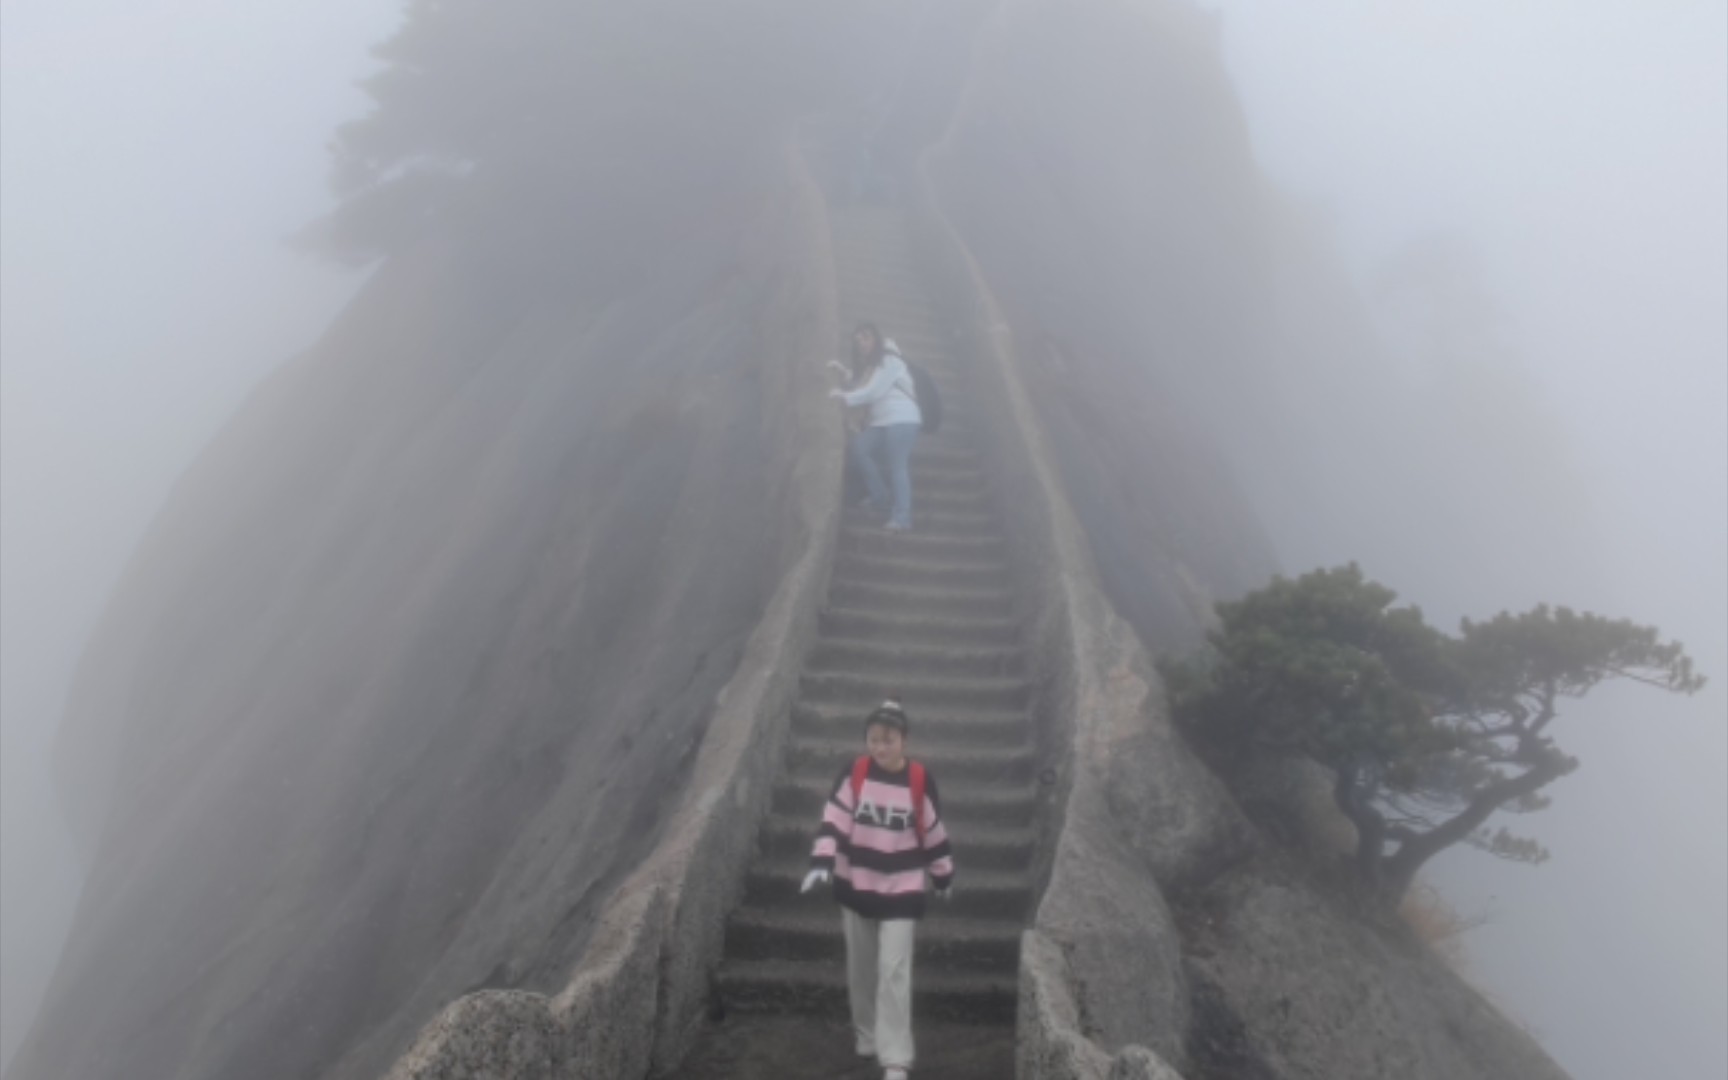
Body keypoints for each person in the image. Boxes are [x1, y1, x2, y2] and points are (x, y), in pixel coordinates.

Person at [801, 700, 954, 1080]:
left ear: (904, 740)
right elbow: (834, 819)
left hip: (903, 887)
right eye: (873, 739)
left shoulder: (919, 780)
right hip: (856, 882)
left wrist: (942, 873)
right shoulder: (855, 774)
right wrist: (822, 860)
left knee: (894, 970)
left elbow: (933, 831)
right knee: (862, 968)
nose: (880, 748)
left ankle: (896, 1057)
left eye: (888, 740)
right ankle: (867, 1033)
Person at [829, 323, 922, 531]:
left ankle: (902, 517)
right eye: (858, 340)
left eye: (866, 337)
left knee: (898, 465)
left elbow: (873, 391)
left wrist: (845, 397)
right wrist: (843, 373)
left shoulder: (890, 359)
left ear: (877, 338)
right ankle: (880, 497)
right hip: (882, 421)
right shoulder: (873, 364)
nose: (862, 342)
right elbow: (864, 382)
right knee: (860, 448)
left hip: (903, 418)